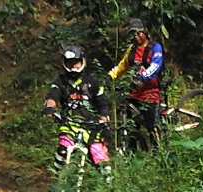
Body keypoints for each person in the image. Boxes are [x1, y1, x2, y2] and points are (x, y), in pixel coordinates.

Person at [43, 46, 112, 174]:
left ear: (82, 61)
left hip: (91, 126)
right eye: (70, 62)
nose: (74, 65)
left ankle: (108, 190)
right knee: (63, 150)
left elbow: (102, 103)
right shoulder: (61, 82)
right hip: (70, 124)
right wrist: (49, 108)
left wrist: (104, 119)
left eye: (76, 61)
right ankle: (57, 183)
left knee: (102, 160)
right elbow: (52, 96)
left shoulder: (92, 82)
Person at [108, 18, 164, 151]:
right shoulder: (132, 49)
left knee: (152, 127)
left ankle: (160, 154)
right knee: (131, 125)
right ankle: (132, 153)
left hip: (150, 93)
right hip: (134, 93)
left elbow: (155, 66)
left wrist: (142, 77)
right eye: (133, 34)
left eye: (138, 33)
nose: (136, 36)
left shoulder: (155, 47)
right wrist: (111, 76)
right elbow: (123, 65)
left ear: (145, 32)